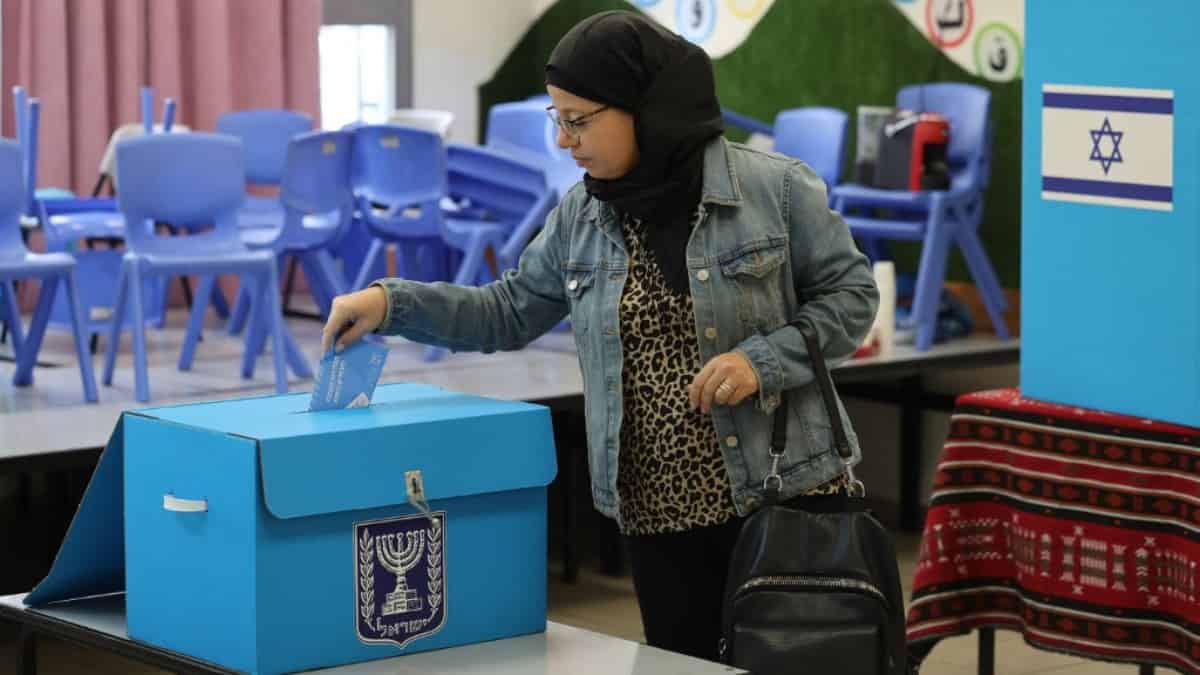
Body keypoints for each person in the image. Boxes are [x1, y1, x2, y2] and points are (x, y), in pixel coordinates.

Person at [322, 10, 878, 663]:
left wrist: (763, 361)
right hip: (657, 517)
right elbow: (507, 310)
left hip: (780, 497)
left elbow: (853, 297)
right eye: (557, 120)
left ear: (645, 107)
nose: (564, 141)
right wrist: (391, 302)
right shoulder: (582, 217)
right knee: (682, 663)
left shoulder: (774, 189)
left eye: (579, 120)